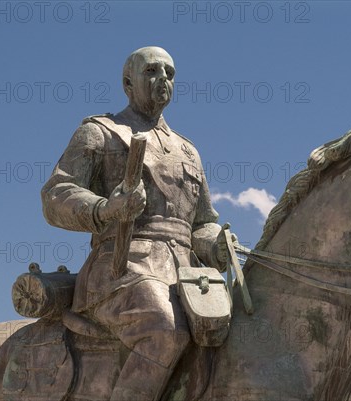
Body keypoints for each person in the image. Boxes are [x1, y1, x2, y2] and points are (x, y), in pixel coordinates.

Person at [41, 46, 229, 400]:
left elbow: (201, 224)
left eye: (169, 74)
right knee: (165, 329)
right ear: (128, 83)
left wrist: (218, 243)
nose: (163, 80)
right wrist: (106, 208)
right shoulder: (101, 132)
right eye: (152, 72)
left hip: (187, 276)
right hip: (120, 269)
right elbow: (55, 195)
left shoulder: (189, 151)